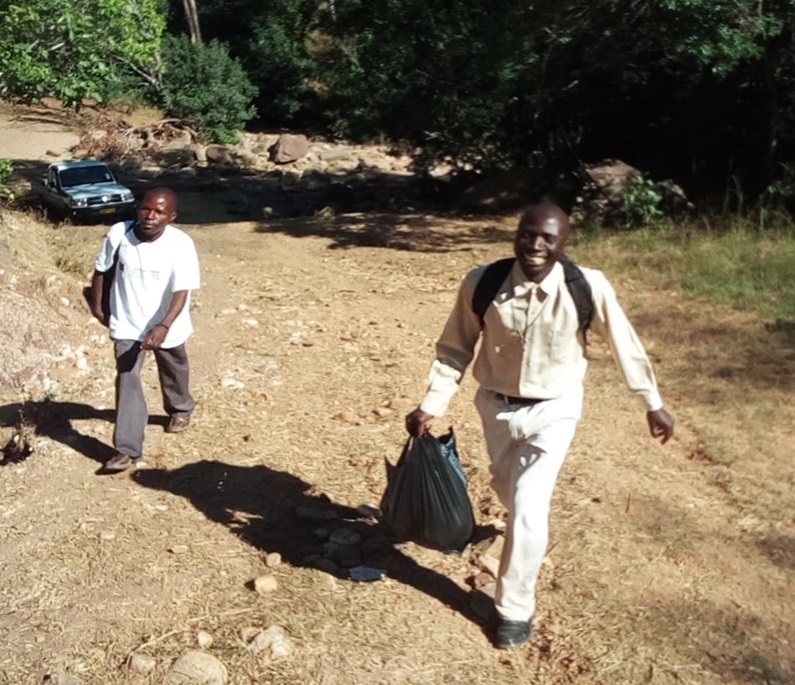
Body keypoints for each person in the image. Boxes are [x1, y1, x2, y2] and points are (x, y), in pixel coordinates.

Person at [405, 202, 674, 649]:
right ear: (516, 234)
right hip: (495, 408)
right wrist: (432, 402)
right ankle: (521, 538)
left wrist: (652, 402)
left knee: (529, 507)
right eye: (528, 234)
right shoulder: (483, 282)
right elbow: (455, 347)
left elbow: (625, 344)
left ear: (564, 243)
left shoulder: (587, 287)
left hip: (555, 409)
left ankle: (514, 609)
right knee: (506, 488)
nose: (535, 245)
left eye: (548, 238)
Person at [89, 187, 201, 472]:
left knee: (174, 367)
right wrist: (98, 306)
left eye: (159, 212)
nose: (150, 216)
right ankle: (127, 449)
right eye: (145, 209)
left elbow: (182, 290)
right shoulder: (119, 234)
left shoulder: (181, 244)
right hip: (128, 321)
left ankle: (180, 408)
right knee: (127, 377)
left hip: (168, 322)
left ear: (171, 217)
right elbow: (102, 269)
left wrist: (164, 325)